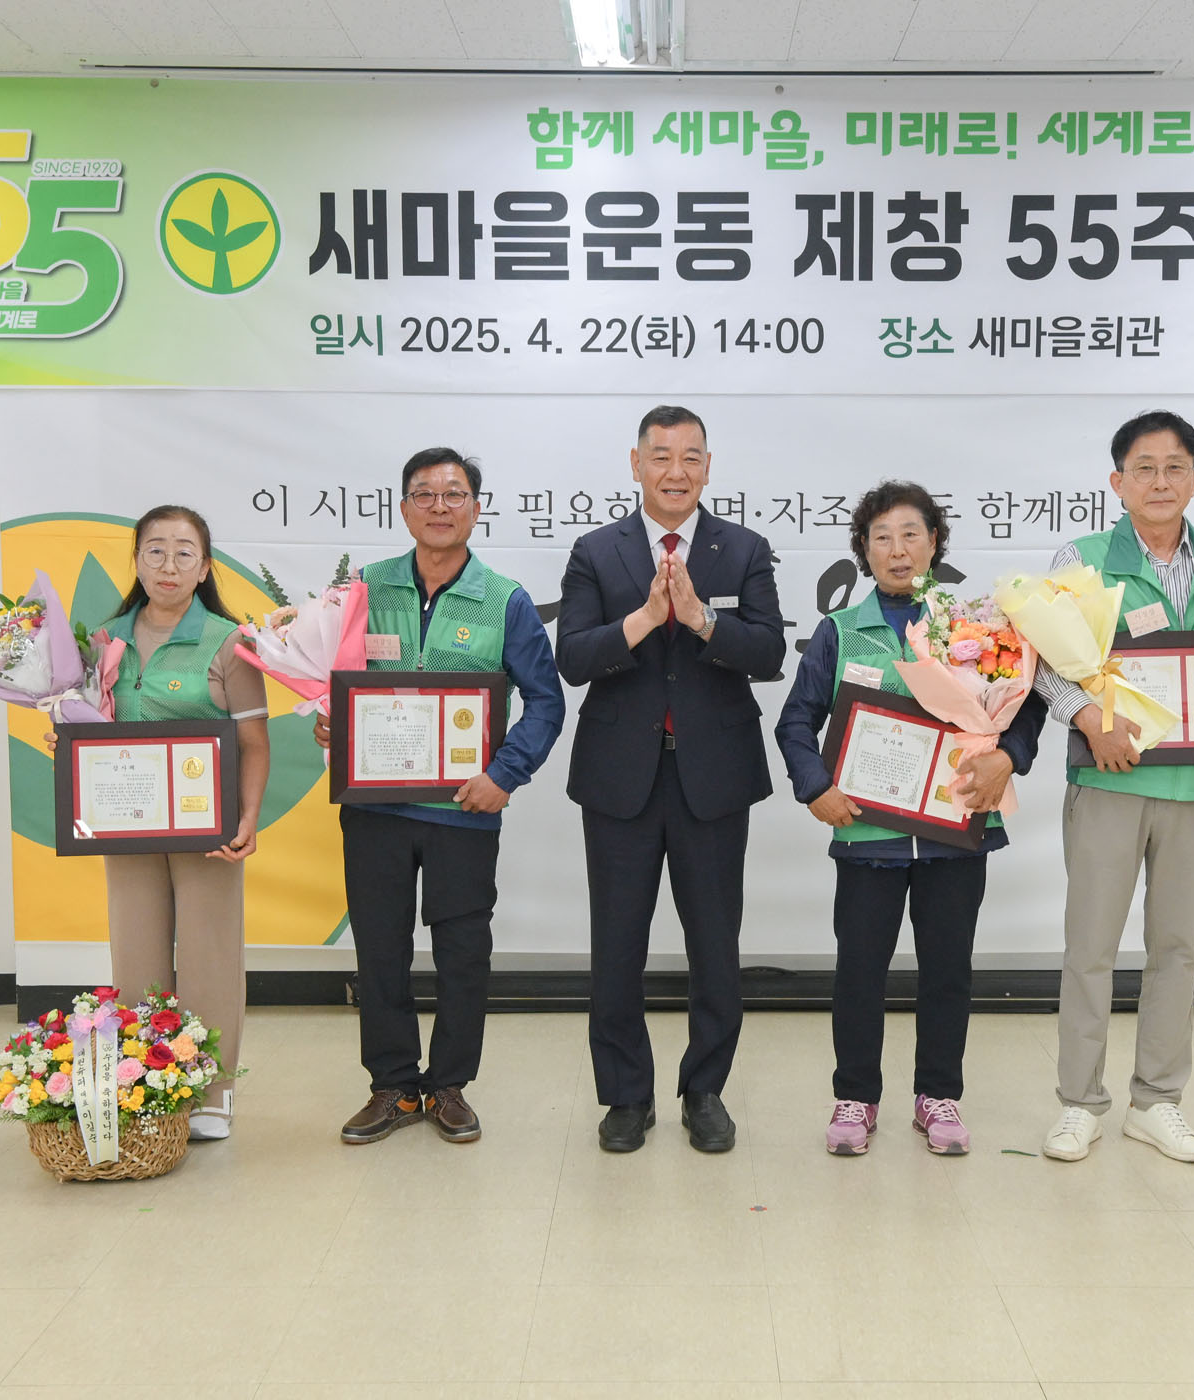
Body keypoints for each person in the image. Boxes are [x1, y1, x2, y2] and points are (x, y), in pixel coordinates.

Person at [1032, 411, 1194, 1165]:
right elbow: (1044, 661)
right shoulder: (1083, 559)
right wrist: (1089, 719)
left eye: (1174, 467)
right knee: (1090, 947)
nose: (1159, 481)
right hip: (1110, 777)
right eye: (1143, 468)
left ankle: (1157, 1101)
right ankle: (1079, 1103)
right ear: (1117, 482)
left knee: (1177, 949)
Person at [776, 481, 1044, 1156]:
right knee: (859, 972)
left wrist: (1008, 758)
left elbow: (1027, 705)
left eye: (910, 535)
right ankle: (855, 1098)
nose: (897, 550)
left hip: (956, 829)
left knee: (948, 970)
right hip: (867, 834)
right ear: (864, 550)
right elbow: (796, 721)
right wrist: (816, 788)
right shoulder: (841, 631)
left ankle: (938, 1097)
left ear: (935, 542)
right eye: (882, 538)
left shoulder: (974, 625)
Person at [315, 448, 564, 1146]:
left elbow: (546, 702)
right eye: (424, 494)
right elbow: (328, 681)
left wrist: (504, 775)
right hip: (375, 808)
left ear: (476, 508)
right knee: (380, 949)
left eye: (454, 494)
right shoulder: (363, 590)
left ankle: (450, 1085)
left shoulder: (506, 600)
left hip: (464, 810)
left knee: (462, 951)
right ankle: (393, 1086)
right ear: (403, 508)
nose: (439, 506)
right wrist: (329, 721)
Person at [556, 405, 786, 1153]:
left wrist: (700, 620)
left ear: (708, 468)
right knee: (616, 945)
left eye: (691, 457)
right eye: (661, 456)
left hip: (712, 778)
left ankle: (705, 1090)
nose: (676, 471)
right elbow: (573, 659)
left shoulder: (743, 549)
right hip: (619, 778)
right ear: (636, 465)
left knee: (715, 945)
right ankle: (626, 1096)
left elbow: (769, 654)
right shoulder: (597, 551)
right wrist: (645, 619)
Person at [94, 505, 269, 1141]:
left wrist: (247, 818)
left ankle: (212, 1092)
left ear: (204, 568)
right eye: (156, 551)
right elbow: (89, 725)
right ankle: (146, 1084)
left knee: (209, 954)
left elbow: (254, 742)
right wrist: (70, 745)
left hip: (207, 828)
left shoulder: (230, 641)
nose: (169, 565)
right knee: (134, 952)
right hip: (127, 823)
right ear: (137, 560)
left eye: (184, 553)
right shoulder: (103, 639)